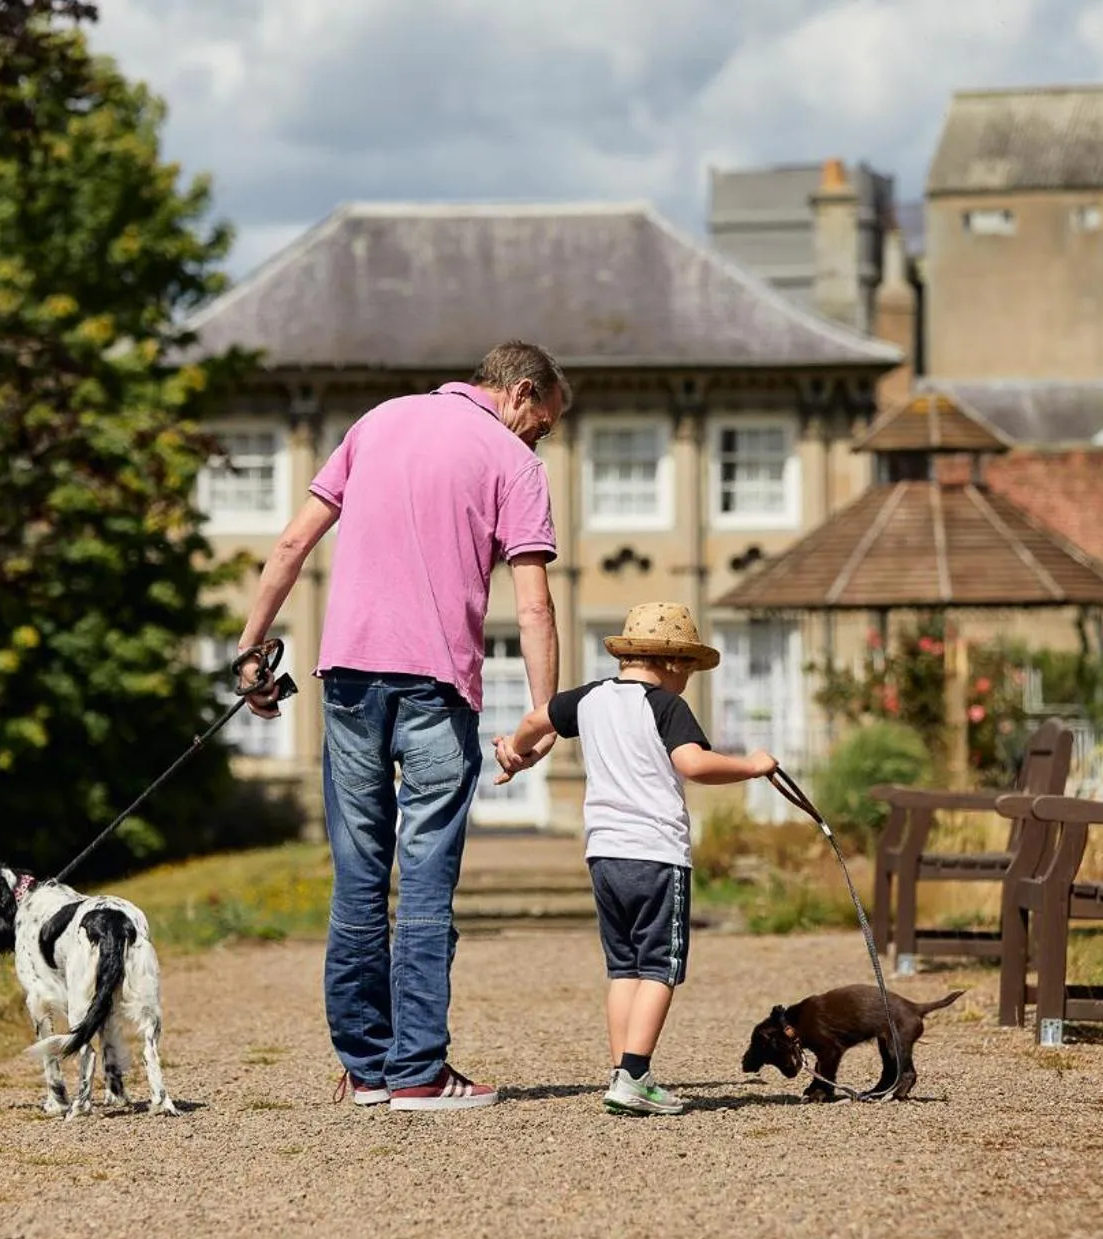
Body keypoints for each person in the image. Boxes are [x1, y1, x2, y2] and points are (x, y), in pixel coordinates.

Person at [235, 341, 565, 1112]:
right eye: (542, 424)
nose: (538, 439)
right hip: (436, 686)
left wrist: (251, 651)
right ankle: (417, 1069)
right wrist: (542, 710)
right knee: (423, 880)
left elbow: (291, 542)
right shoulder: (512, 463)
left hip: (347, 677)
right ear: (521, 392)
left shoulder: (378, 421)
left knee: (357, 873)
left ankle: (363, 1067)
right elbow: (537, 603)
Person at [495, 602, 774, 1115]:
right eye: (688, 667)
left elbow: (537, 718)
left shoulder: (591, 699)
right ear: (671, 664)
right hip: (656, 854)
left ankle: (622, 1072)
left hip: (603, 854)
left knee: (623, 967)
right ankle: (636, 1074)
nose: (687, 678)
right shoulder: (666, 706)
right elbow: (693, 764)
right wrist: (751, 766)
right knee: (660, 968)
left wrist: (516, 751)